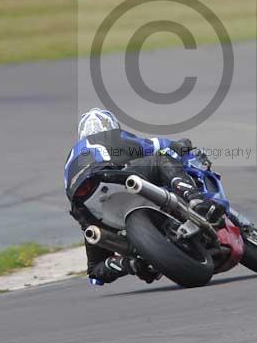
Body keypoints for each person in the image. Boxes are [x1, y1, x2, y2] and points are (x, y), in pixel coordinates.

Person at [64, 108, 223, 286]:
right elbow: (157, 145)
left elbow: (96, 275)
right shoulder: (111, 137)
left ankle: (129, 263)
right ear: (111, 126)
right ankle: (195, 198)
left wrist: (129, 263)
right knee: (161, 158)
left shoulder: (71, 160)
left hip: (87, 202)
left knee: (95, 269)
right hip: (113, 177)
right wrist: (184, 147)